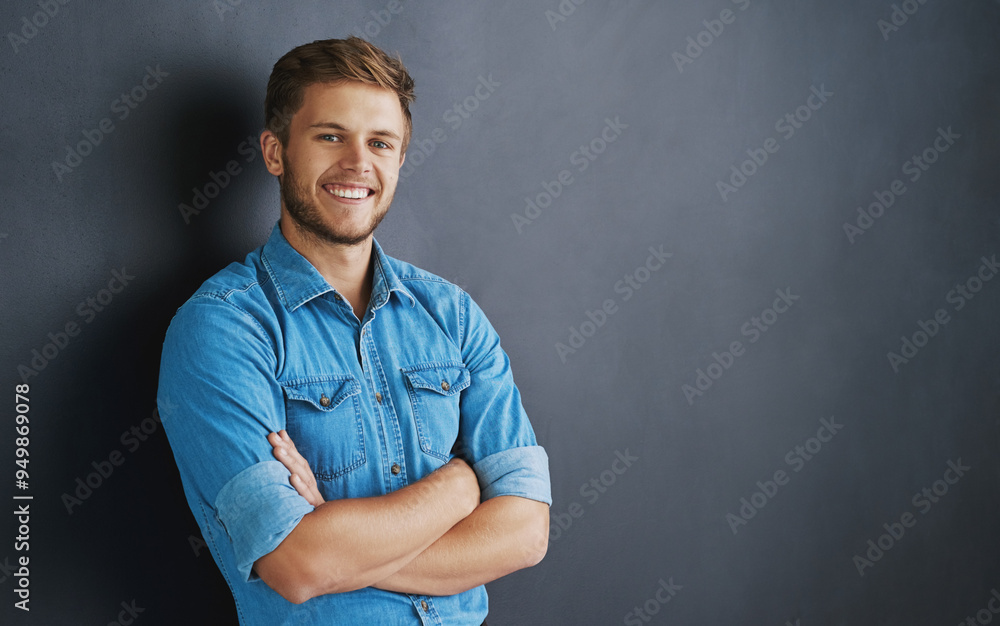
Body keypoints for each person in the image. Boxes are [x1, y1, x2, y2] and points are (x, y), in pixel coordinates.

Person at [157, 37, 551, 625]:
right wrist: (460, 489)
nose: (358, 163)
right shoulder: (223, 328)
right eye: (330, 136)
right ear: (274, 151)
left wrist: (345, 545)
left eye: (380, 143)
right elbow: (298, 565)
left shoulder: (454, 315)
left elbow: (525, 534)